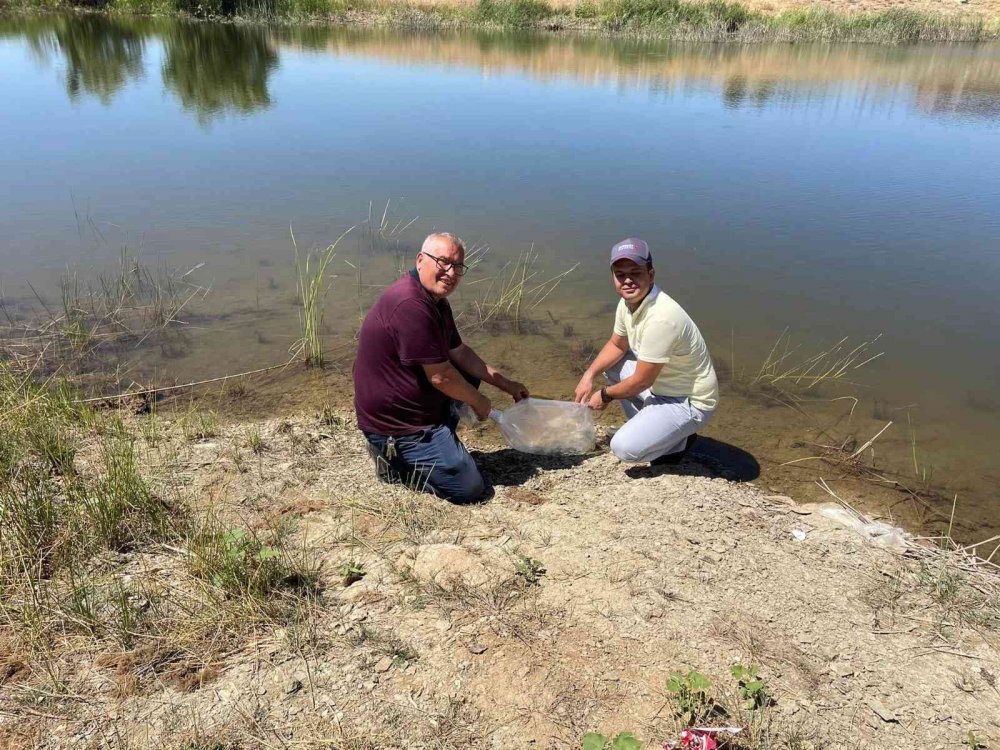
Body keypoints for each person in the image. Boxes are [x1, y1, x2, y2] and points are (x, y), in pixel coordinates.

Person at [353, 232, 529, 502]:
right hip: (398, 425)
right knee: (469, 489)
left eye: (457, 266)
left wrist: (508, 385)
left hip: (416, 407)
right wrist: (481, 402)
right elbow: (440, 377)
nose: (450, 272)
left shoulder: (435, 301)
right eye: (443, 262)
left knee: (466, 371)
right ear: (420, 260)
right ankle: (393, 463)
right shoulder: (411, 304)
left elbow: (460, 353)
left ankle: (439, 438)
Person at [574, 238, 718, 465]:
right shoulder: (627, 303)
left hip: (688, 401)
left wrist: (604, 395)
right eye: (620, 275)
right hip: (662, 384)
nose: (628, 281)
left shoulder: (661, 317)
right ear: (613, 277)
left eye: (636, 273)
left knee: (623, 448)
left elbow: (641, 381)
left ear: (651, 274)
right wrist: (587, 376)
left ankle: (674, 444)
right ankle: (657, 429)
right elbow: (616, 345)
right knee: (613, 364)